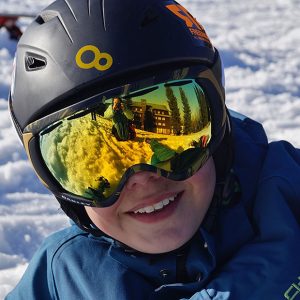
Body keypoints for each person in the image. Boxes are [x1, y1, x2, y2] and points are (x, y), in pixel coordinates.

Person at [5, 0, 300, 299]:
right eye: (95, 166)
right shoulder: (64, 278)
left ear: (217, 122)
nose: (142, 178)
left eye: (170, 137)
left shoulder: (290, 204)